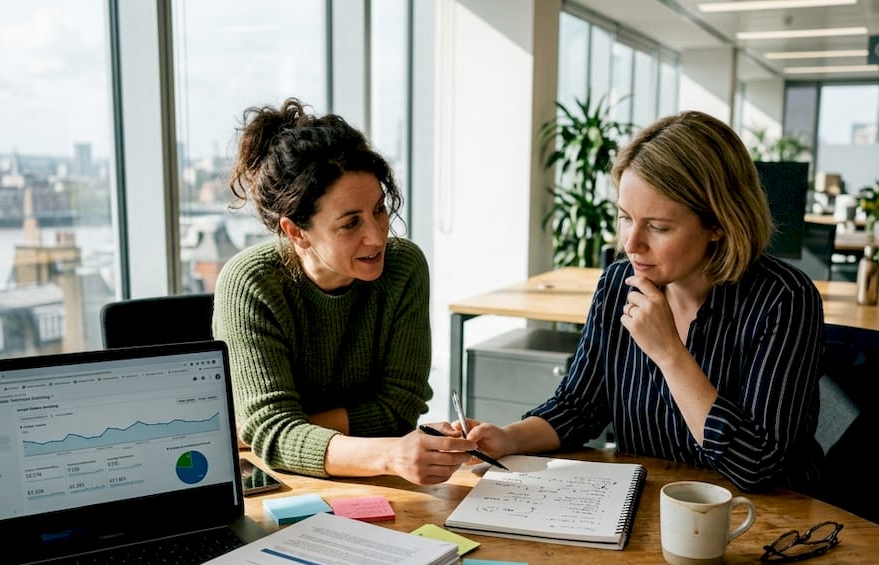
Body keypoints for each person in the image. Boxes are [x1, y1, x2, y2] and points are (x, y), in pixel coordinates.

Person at [463, 110, 825, 492]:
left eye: (658, 227)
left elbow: (757, 465)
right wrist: (509, 438)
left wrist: (670, 353)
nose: (632, 245)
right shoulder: (619, 283)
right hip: (650, 503)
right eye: (625, 218)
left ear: (719, 223)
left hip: (762, 518)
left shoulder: (785, 299)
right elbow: (578, 407)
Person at [213, 98, 475, 485]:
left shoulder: (404, 267)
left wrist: (294, 430)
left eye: (379, 210)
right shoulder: (251, 282)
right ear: (296, 232)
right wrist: (388, 452)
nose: (377, 235)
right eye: (350, 223)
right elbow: (271, 434)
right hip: (280, 488)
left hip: (368, 484)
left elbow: (399, 409)